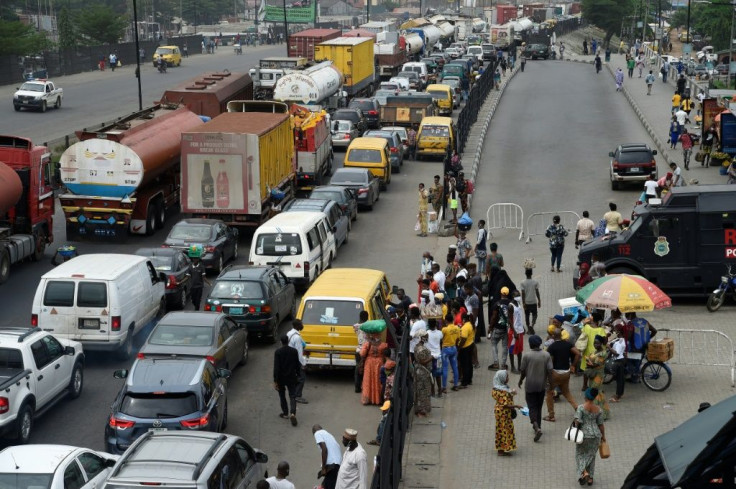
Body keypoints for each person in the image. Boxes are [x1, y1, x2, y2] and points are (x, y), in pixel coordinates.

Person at [518, 335, 552, 442]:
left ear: (530, 344)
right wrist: (550, 384)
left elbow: (523, 370)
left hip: (530, 385)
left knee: (532, 407)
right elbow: (550, 370)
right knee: (539, 406)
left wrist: (520, 380)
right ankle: (539, 426)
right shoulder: (546, 355)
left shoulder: (527, 356)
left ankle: (536, 427)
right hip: (541, 386)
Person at [543, 328, 581, 422]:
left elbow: (550, 363)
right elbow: (578, 354)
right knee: (566, 392)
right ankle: (578, 409)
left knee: (549, 393)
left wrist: (547, 375)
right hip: (566, 373)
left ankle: (551, 416)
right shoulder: (568, 344)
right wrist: (573, 365)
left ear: (553, 336)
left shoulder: (551, 347)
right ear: (561, 335)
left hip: (555, 374)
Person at [574, 388, 607, 486]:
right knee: (591, 456)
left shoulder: (581, 408)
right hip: (596, 435)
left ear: (586, 396)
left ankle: (584, 473)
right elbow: (601, 424)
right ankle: (590, 479)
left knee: (579, 454)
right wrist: (603, 436)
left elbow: (577, 421)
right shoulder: (599, 410)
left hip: (584, 435)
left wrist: (576, 429)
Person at [274, 335, 300, 427]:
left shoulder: (278, 352)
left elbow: (276, 367)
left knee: (282, 395)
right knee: (292, 395)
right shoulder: (294, 351)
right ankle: (293, 413)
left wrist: (275, 380)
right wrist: (298, 375)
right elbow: (297, 364)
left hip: (281, 378)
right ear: (288, 341)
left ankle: (285, 413)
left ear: (281, 342)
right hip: (291, 377)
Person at [493, 370, 519, 456]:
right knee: (503, 431)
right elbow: (505, 405)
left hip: (504, 413)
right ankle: (501, 450)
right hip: (503, 414)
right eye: (507, 377)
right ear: (502, 378)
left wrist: (511, 392)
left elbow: (506, 395)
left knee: (504, 430)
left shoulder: (499, 387)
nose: (508, 378)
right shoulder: (501, 391)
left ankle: (504, 448)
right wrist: (516, 406)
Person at [584, 335, 611, 420]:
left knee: (595, 393)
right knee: (597, 393)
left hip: (598, 376)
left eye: (597, 343)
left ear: (601, 343)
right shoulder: (594, 351)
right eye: (595, 343)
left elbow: (596, 364)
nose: (595, 344)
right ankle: (600, 413)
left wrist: (589, 363)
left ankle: (598, 413)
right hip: (593, 375)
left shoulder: (603, 354)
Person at [579, 312, 607, 390]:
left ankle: (584, 385)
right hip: (596, 353)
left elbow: (582, 331)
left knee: (586, 368)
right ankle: (594, 386)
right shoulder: (601, 330)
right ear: (599, 321)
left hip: (587, 352)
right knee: (596, 369)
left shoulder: (587, 327)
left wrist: (585, 323)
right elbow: (605, 341)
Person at [488, 286, 513, 370]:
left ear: (501, 293)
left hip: (497, 328)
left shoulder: (497, 303)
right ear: (508, 294)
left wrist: (490, 327)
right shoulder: (511, 303)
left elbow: (494, 317)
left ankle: (496, 364)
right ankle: (503, 365)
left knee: (494, 343)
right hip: (506, 328)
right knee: (505, 346)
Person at [360, 334, 388, 405]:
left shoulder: (367, 344)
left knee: (368, 381)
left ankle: (367, 399)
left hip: (369, 364)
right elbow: (386, 355)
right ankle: (378, 399)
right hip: (379, 363)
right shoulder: (383, 345)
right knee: (378, 381)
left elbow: (362, 354)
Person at [313, 425, 342, 489]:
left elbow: (324, 448)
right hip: (337, 466)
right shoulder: (329, 435)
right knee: (324, 485)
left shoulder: (317, 433)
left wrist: (323, 468)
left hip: (333, 466)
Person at [287, 320, 308, 404]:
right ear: (298, 326)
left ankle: (293, 394)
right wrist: (303, 364)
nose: (302, 325)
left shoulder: (289, 333)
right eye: (301, 324)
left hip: (289, 359)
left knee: (295, 377)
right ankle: (297, 396)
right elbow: (299, 352)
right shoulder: (297, 337)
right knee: (301, 378)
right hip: (296, 360)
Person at [187, 245, 210, 310]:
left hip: (199, 286)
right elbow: (187, 276)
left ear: (198, 259)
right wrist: (180, 282)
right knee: (193, 300)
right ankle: (196, 306)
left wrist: (209, 283)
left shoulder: (201, 267)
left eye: (196, 258)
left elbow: (204, 277)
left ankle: (197, 310)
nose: (195, 259)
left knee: (197, 301)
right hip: (192, 287)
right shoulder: (190, 267)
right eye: (193, 258)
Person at [441, 317, 460, 393]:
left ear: (446, 321)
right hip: (453, 348)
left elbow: (441, 338)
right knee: (455, 367)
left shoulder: (444, 329)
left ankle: (444, 387)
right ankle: (456, 385)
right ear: (453, 320)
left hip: (446, 349)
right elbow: (458, 338)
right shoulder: (457, 328)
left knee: (445, 368)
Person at [508, 291, 525, 373]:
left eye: (519, 295)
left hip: (520, 330)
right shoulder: (511, 306)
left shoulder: (519, 304)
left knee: (520, 349)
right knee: (511, 349)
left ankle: (519, 366)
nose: (518, 296)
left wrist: (523, 327)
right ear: (513, 296)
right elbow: (509, 319)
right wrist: (514, 331)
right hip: (513, 331)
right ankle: (512, 367)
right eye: (516, 295)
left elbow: (519, 317)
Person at [414, 343, 433, 416]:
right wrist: (431, 358)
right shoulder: (421, 350)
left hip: (420, 372)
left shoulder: (416, 347)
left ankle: (421, 408)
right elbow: (423, 362)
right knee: (423, 391)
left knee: (420, 391)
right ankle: (422, 409)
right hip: (423, 373)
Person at [609, 327, 627, 404]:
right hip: (621, 360)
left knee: (619, 379)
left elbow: (616, 353)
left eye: (616, 330)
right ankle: (620, 393)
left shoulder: (620, 341)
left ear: (619, 332)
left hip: (619, 361)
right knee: (621, 378)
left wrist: (609, 347)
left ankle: (617, 396)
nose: (614, 331)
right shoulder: (621, 339)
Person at [520, 268, 540, 335]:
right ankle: (532, 324)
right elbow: (537, 292)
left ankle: (528, 328)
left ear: (525, 274)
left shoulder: (522, 282)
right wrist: (539, 300)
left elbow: (523, 293)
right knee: (535, 314)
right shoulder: (535, 282)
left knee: (527, 315)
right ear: (531, 274)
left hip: (527, 302)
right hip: (533, 301)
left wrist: (523, 303)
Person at [426, 318, 443, 396]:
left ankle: (432, 391)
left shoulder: (426, 333)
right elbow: (441, 341)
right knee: (438, 375)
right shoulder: (440, 333)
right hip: (438, 356)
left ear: (428, 325)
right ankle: (439, 390)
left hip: (430, 357)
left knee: (431, 375)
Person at [353, 311, 369, 393]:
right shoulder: (367, 326)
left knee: (357, 369)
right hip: (366, 350)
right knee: (366, 369)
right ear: (366, 317)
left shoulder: (355, 326)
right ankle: (365, 387)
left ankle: (357, 387)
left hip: (358, 349)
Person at [458, 312, 475, 387]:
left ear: (464, 319)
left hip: (465, 347)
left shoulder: (465, 327)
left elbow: (463, 339)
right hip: (470, 345)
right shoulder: (470, 325)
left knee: (464, 365)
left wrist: (459, 347)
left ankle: (464, 381)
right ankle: (469, 379)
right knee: (469, 363)